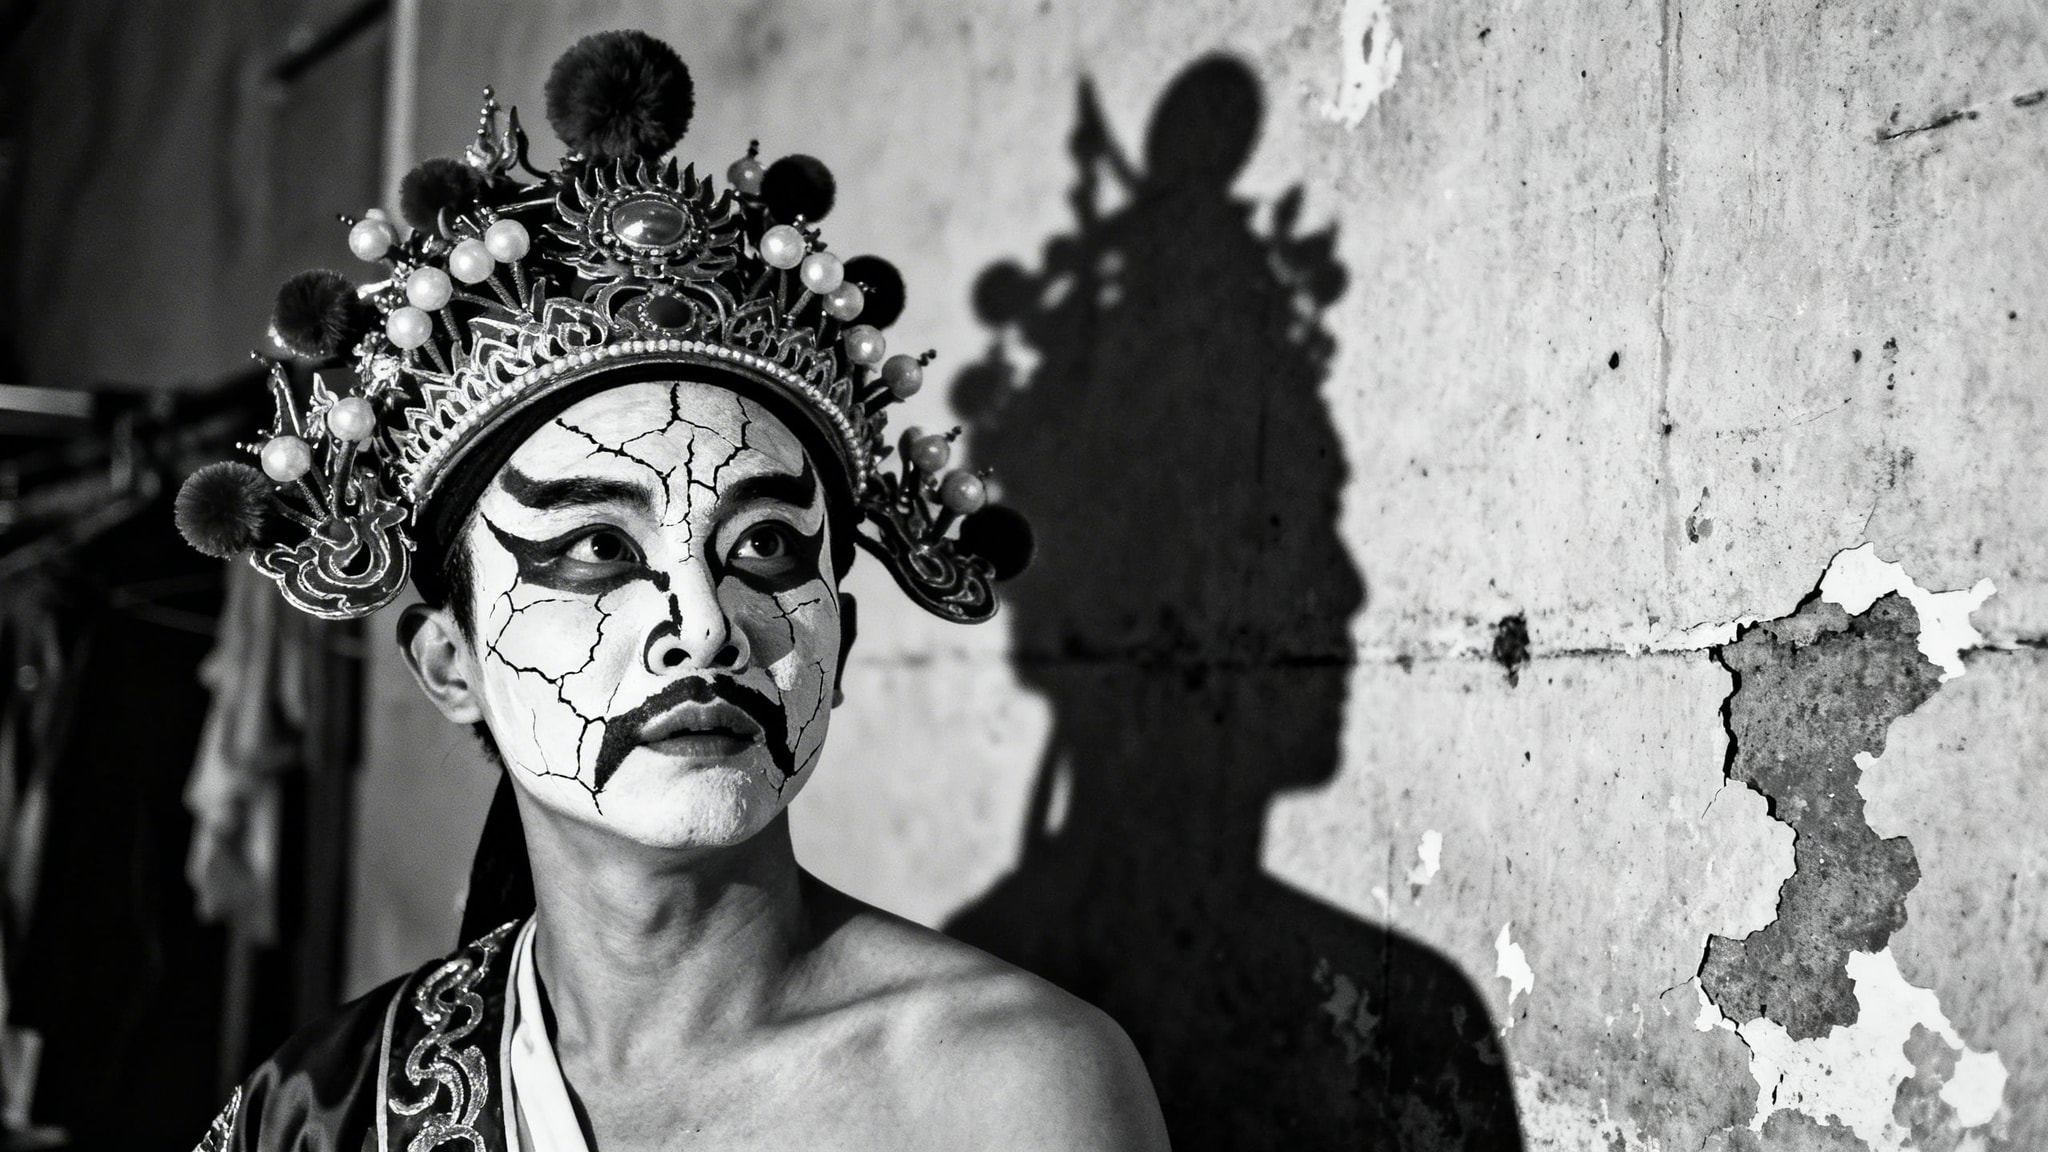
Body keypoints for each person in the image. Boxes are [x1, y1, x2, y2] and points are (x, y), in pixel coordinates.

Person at [174, 30, 1167, 1151]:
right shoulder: (319, 1116)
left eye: (763, 553)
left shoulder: (1014, 1095)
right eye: (594, 551)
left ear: (836, 640)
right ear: (449, 664)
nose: (701, 631)